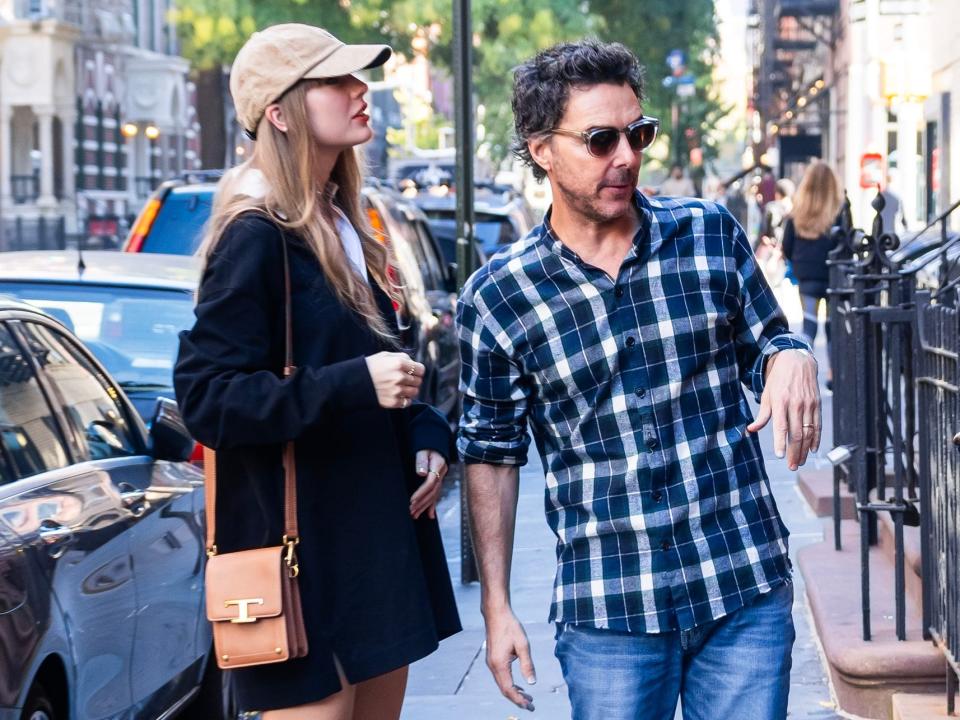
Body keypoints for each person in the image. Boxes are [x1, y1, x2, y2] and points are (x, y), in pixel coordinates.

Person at [456, 40, 820, 720]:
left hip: (739, 583)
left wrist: (792, 351)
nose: (626, 156)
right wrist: (496, 606)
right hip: (610, 608)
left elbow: (770, 341)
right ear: (541, 149)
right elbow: (492, 455)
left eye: (638, 133)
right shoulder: (499, 295)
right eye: (600, 139)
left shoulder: (708, 234)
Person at [173, 24, 460, 720]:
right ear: (280, 111)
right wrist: (354, 384)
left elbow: (385, 372)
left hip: (371, 552)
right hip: (303, 570)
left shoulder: (345, 227)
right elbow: (208, 400)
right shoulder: (255, 237)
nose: (361, 92)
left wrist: (428, 434)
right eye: (337, 81)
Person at [781, 161, 843, 389]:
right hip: (832, 275)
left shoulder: (798, 210)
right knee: (832, 327)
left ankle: (804, 378)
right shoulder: (839, 209)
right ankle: (833, 375)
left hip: (807, 276)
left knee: (808, 326)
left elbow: (786, 245)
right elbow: (845, 242)